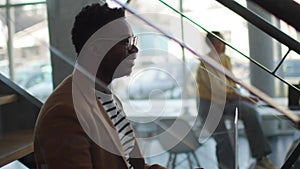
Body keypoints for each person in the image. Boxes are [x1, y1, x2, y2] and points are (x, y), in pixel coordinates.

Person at [34, 3, 167, 169]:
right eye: (126, 42)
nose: (134, 49)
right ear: (95, 49)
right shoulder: (65, 113)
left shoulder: (107, 98)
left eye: (133, 40)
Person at [196, 31, 277, 169]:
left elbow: (231, 83)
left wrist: (242, 95)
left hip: (227, 101)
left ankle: (261, 157)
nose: (223, 45)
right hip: (210, 105)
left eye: (223, 41)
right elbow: (219, 91)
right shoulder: (205, 64)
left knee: (250, 111)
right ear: (211, 45)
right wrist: (241, 97)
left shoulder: (225, 59)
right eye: (219, 42)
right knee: (224, 140)